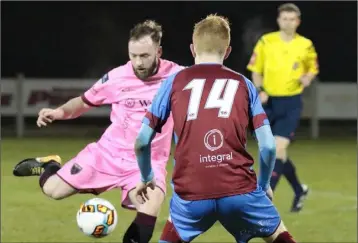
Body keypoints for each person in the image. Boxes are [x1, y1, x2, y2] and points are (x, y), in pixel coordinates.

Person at [12, 20, 184, 243]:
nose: (138, 62)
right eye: (133, 55)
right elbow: (84, 102)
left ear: (158, 51)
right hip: (106, 155)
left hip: (145, 164)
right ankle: (49, 165)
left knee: (151, 205)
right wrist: (59, 113)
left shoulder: (178, 77)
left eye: (145, 56)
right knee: (53, 190)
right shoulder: (117, 77)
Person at [133, 14, 297, 243]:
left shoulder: (173, 82)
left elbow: (141, 141)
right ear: (227, 51)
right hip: (240, 191)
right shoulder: (244, 84)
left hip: (191, 195)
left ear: (193, 49)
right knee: (279, 236)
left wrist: (146, 176)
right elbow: (269, 146)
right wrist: (263, 185)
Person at [247, 3, 319, 212]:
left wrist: (307, 77)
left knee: (276, 149)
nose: (288, 22)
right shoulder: (266, 41)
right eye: (284, 18)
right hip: (269, 103)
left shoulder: (305, 45)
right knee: (277, 153)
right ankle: (299, 189)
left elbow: (312, 68)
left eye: (292, 19)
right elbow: (255, 70)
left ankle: (264, 200)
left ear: (298, 22)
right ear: (279, 20)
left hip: (291, 103)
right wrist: (260, 89)